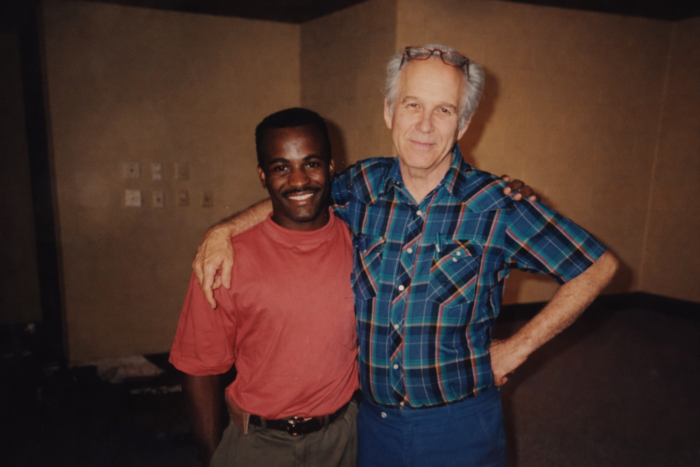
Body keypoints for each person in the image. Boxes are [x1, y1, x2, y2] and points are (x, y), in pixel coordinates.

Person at [192, 45, 618, 467]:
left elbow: (597, 267)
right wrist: (224, 229)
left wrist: (516, 349)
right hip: (373, 426)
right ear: (389, 111)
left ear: (464, 123)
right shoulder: (362, 186)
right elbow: (299, 191)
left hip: (460, 428)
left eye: (444, 110)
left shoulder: (496, 204)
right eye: (412, 104)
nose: (425, 125)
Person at [170, 108, 360, 467]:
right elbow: (198, 368)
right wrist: (211, 456)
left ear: (331, 166)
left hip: (343, 441)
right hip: (257, 445)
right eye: (281, 167)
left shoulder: (360, 244)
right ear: (262, 175)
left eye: (311, 163)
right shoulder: (225, 259)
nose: (299, 180)